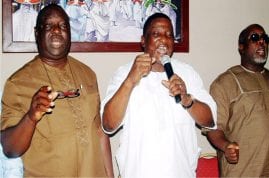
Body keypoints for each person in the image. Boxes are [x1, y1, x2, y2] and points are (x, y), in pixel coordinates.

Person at [0, 4, 113, 177]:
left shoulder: (88, 74)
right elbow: (10, 149)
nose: (56, 31)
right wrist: (31, 117)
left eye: (63, 26)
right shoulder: (18, 83)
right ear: (37, 33)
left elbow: (100, 133)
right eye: (48, 26)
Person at [101, 13, 216, 178]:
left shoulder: (187, 73)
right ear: (143, 40)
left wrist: (187, 99)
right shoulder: (124, 73)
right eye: (156, 34)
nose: (164, 39)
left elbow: (210, 120)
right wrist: (130, 81)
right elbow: (108, 125)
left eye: (169, 35)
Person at [207, 24, 269, 177]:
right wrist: (226, 146)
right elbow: (213, 128)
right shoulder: (224, 83)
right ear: (241, 47)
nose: (261, 42)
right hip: (242, 173)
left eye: (265, 38)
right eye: (255, 38)